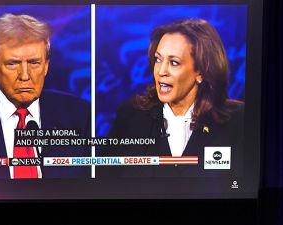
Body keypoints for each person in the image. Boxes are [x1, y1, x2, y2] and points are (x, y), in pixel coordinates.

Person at [0, 13, 90, 179]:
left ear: (46, 66)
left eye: (34, 63)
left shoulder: (79, 114)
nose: (25, 75)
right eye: (12, 64)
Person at [103, 18, 244, 178]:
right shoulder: (130, 116)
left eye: (174, 62)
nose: (161, 71)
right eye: (158, 59)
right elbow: (106, 182)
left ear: (201, 71)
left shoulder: (238, 120)